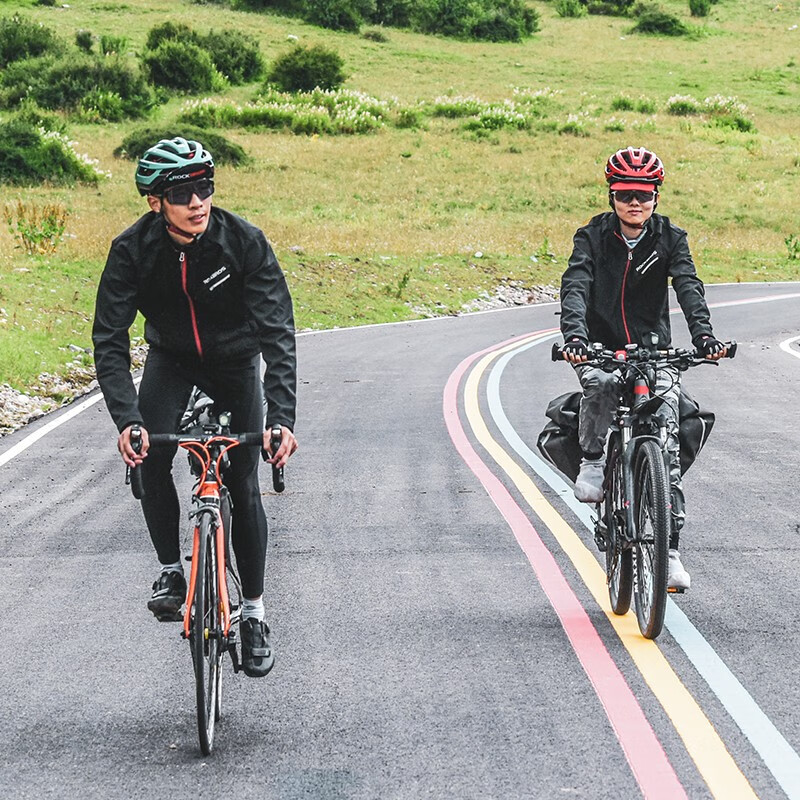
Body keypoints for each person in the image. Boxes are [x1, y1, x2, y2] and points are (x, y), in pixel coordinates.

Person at [92, 137, 297, 676]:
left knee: (244, 477)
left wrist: (281, 419)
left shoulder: (244, 242)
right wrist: (127, 422)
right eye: (183, 192)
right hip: (172, 361)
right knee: (149, 456)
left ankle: (253, 612)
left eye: (205, 188)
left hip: (235, 362)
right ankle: (169, 570)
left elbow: (278, 332)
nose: (198, 202)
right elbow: (109, 341)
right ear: (155, 201)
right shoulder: (132, 250)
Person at [558, 146, 728, 591]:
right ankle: (594, 462)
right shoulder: (591, 236)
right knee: (598, 382)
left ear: (656, 195)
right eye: (625, 194)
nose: (635, 202)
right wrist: (575, 339)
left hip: (654, 351)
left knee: (668, 438)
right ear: (612, 195)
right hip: (600, 346)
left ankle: (668, 552)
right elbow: (575, 286)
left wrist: (704, 337)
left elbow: (689, 286)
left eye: (644, 194)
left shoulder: (671, 238)